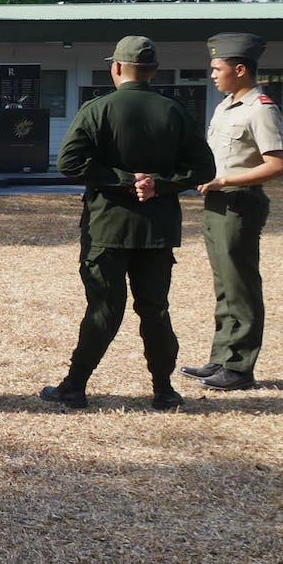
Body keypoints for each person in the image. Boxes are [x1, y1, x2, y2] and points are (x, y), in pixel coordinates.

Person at [40, 36, 215, 411]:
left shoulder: (97, 109)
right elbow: (204, 169)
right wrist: (158, 184)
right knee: (155, 309)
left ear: (116, 68)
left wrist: (121, 178)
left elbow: (69, 163)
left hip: (107, 227)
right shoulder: (175, 111)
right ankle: (163, 390)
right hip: (157, 229)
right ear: (152, 71)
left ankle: (75, 386)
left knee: (104, 309)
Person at [181, 32, 283, 391]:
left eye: (216, 68)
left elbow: (275, 165)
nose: (212, 74)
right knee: (224, 284)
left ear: (239, 69)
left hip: (240, 201)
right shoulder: (225, 106)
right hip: (217, 202)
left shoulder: (261, 109)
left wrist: (225, 180)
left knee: (240, 283)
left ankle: (240, 367)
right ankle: (221, 357)